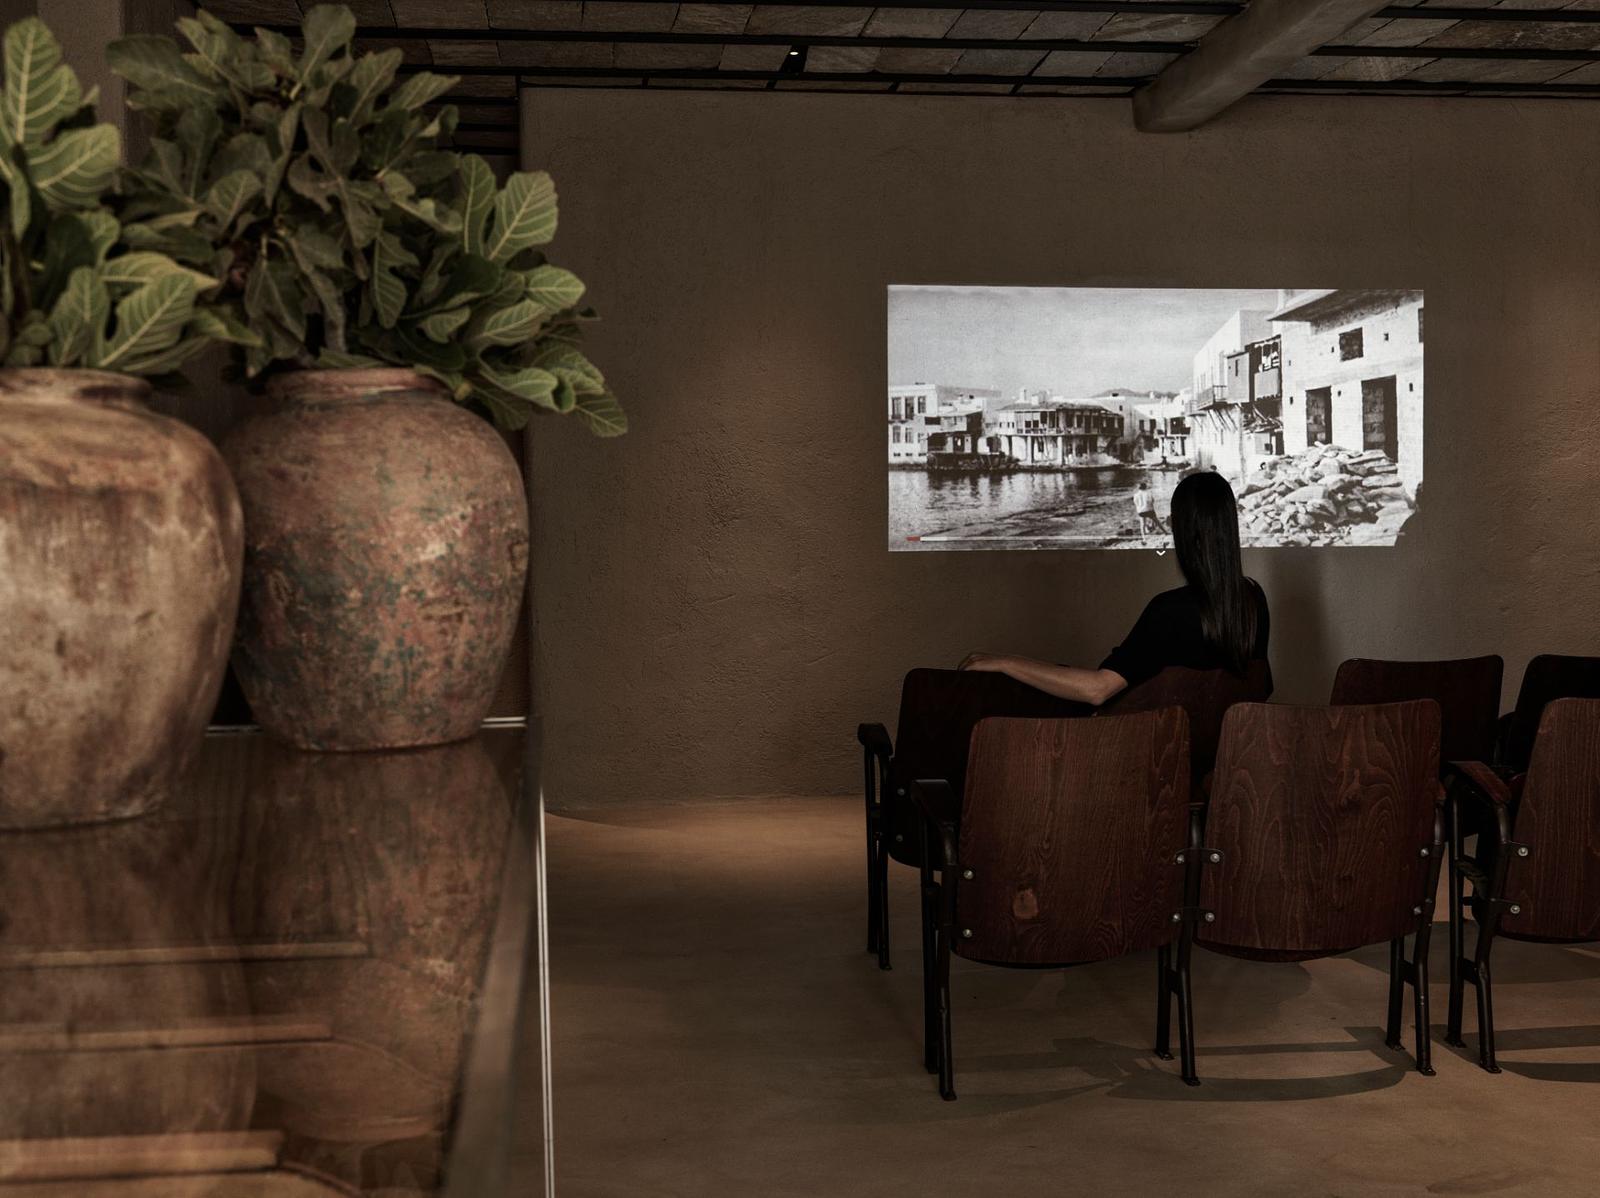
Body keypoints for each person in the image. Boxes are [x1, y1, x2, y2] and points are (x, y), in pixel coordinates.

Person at [960, 471, 1270, 706]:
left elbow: (1098, 690)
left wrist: (1006, 662)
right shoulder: (1253, 599)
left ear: (1183, 533)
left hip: (1135, 752)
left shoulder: (1170, 611)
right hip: (1206, 756)